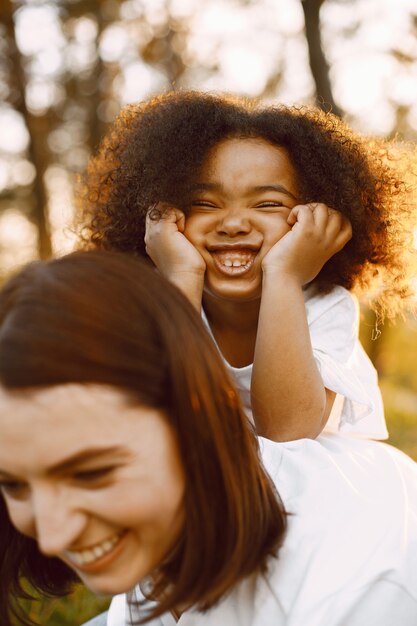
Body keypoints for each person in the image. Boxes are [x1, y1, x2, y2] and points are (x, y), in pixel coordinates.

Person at [1, 251, 417, 626]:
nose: (53, 537)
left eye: (91, 474)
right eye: (13, 484)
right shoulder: (165, 512)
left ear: (194, 414)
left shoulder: (355, 588)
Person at [78, 91, 416, 443]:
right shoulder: (145, 298)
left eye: (268, 203)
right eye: (204, 203)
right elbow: (153, 420)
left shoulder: (324, 306)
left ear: (314, 219)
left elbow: (287, 431)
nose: (234, 223)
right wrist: (181, 277)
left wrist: (284, 276)